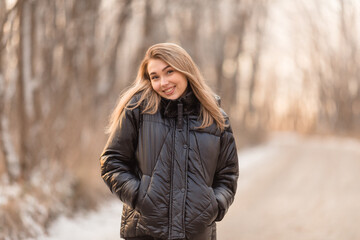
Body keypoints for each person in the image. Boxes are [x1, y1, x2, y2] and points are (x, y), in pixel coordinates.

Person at [100, 43, 239, 240]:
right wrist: (140, 197)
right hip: (145, 232)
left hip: (197, 233)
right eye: (155, 77)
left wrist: (213, 206)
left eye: (169, 72)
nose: (163, 82)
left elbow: (228, 175)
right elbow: (111, 162)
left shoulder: (216, 118)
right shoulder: (139, 109)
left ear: (185, 70)